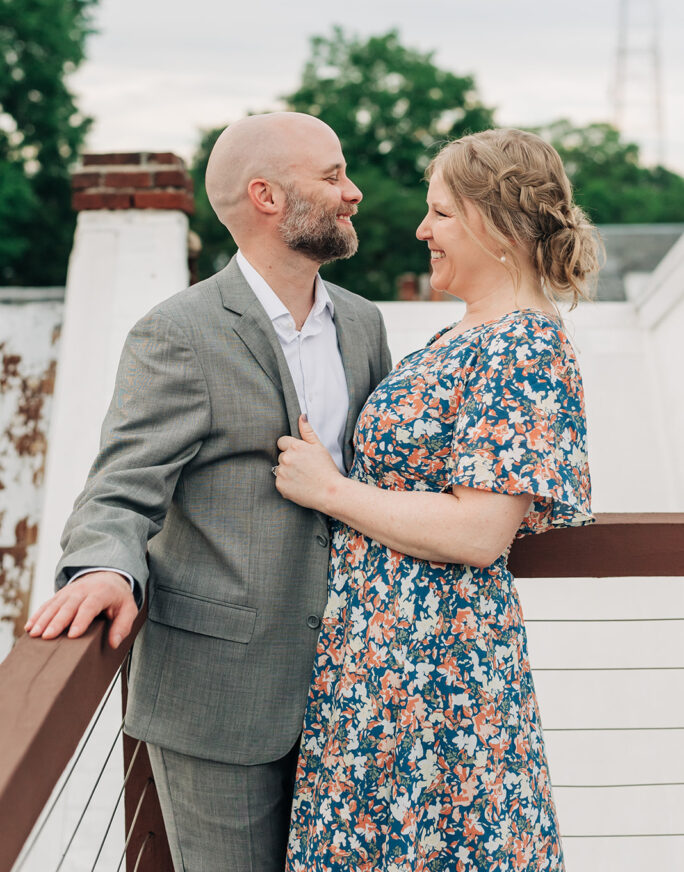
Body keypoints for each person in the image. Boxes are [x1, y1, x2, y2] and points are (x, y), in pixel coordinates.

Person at [25, 112, 392, 872]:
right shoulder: (178, 332)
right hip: (217, 696)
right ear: (266, 196)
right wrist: (102, 567)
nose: (353, 192)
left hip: (351, 689)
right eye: (331, 176)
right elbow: (121, 489)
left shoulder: (362, 324)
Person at [274, 128, 602, 872]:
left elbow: (481, 530)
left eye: (442, 213)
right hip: (383, 666)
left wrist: (331, 491)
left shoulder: (523, 348)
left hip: (438, 678)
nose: (423, 229)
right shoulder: (467, 334)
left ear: (499, 223)